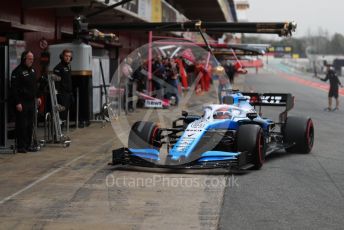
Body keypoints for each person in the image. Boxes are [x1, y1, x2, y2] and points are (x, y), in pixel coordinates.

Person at [10, 51, 41, 153]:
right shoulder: (17, 72)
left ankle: (28, 145)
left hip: (31, 102)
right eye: (29, 58)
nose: (32, 60)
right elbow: (14, 89)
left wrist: (37, 97)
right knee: (22, 125)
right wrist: (17, 102)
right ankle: (21, 146)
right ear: (24, 59)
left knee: (29, 125)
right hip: (22, 102)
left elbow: (34, 86)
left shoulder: (32, 70)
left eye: (32, 59)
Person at [53, 49, 73, 123]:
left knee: (64, 116)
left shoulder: (68, 67)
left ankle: (61, 133)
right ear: (62, 56)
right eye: (66, 56)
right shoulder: (58, 68)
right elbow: (56, 84)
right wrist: (58, 96)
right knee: (60, 116)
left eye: (69, 56)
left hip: (67, 95)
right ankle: (57, 134)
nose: (68, 58)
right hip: (61, 95)